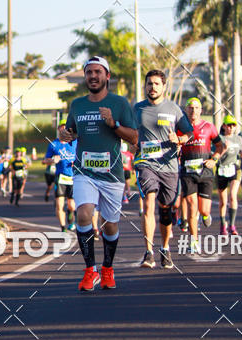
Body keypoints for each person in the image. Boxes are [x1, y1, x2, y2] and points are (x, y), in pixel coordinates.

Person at [60, 56, 138, 292]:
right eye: (89, 72)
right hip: (84, 171)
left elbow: (134, 137)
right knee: (84, 214)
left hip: (112, 174)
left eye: (97, 72)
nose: (93, 76)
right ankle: (89, 270)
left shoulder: (120, 103)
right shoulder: (77, 104)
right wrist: (66, 134)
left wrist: (113, 124)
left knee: (109, 225)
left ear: (107, 76)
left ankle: (107, 269)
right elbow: (69, 130)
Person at [134, 70, 193, 268]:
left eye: (156, 84)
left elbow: (189, 132)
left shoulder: (174, 109)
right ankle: (148, 252)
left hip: (169, 165)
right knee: (149, 202)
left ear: (164, 86)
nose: (152, 87)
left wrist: (180, 139)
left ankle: (165, 248)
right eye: (149, 84)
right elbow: (129, 132)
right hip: (146, 163)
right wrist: (132, 142)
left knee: (166, 210)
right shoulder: (137, 109)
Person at [178, 97, 221, 255]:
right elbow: (175, 144)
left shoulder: (208, 126)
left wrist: (214, 159)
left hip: (205, 172)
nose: (193, 111)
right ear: (186, 110)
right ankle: (194, 241)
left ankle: (206, 215)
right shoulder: (181, 128)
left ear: (201, 110)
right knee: (191, 205)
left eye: (196, 108)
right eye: (190, 108)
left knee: (203, 210)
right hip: (188, 172)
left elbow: (220, 146)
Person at [43, 124, 77, 231]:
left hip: (73, 178)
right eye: (61, 128)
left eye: (65, 128)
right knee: (59, 205)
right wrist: (52, 160)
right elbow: (44, 161)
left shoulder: (75, 143)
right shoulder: (54, 144)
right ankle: (63, 228)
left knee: (71, 205)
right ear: (58, 130)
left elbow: (82, 156)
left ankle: (71, 215)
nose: (63, 130)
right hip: (60, 178)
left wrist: (76, 163)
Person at [215, 115, 242, 235]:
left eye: (233, 125)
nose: (231, 128)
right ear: (224, 126)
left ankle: (232, 225)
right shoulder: (219, 139)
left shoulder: (238, 139)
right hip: (222, 169)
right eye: (229, 125)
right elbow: (215, 157)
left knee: (233, 196)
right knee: (223, 200)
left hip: (235, 169)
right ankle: (223, 225)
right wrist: (223, 150)